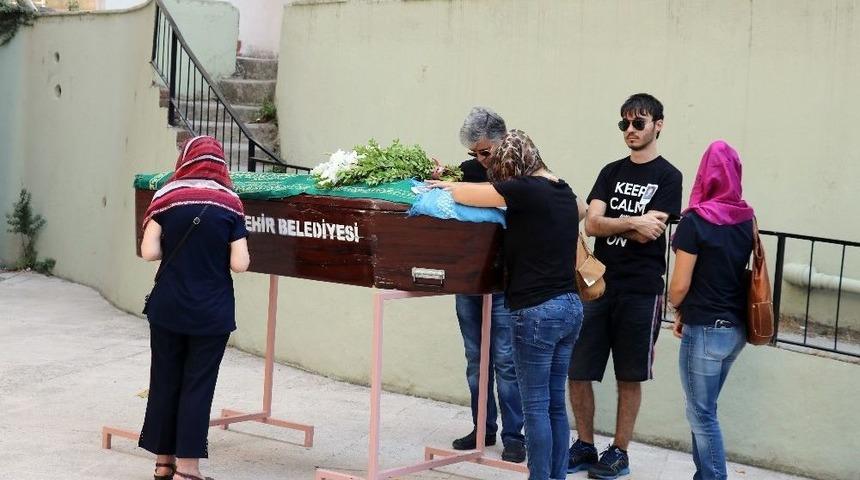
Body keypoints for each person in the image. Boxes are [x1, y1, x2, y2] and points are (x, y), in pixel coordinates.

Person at [428, 129, 586, 480]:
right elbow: (584, 210)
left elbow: (470, 193)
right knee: (554, 406)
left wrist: (443, 185)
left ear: (515, 165)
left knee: (535, 408)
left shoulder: (525, 188)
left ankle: (540, 477)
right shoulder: (563, 190)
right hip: (570, 308)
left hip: (537, 312)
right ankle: (555, 475)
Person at [567, 93, 682, 479]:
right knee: (579, 368)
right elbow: (591, 225)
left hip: (642, 289)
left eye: (639, 123)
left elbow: (652, 233)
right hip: (599, 284)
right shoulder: (611, 171)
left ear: (658, 125)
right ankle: (584, 444)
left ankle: (619, 451)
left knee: (629, 375)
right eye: (624, 124)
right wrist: (633, 222)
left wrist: (614, 221)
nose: (630, 131)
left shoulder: (669, 176)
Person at [138, 136, 250, 480]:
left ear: (185, 160)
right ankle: (189, 470)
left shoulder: (165, 197)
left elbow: (148, 252)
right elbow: (240, 263)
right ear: (220, 163)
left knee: (164, 380)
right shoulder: (230, 202)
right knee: (197, 385)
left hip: (168, 305)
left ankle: (163, 463)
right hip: (211, 310)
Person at [668, 140, 754, 480]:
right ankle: (703, 475)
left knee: (701, 414)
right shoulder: (747, 220)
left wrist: (679, 309)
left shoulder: (695, 222)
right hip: (735, 331)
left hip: (704, 330)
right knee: (703, 410)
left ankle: (714, 477)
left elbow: (678, 287)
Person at [448, 106, 526, 463]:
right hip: (470, 278)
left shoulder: (521, 172)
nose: (479, 160)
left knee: (507, 360)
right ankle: (482, 428)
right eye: (474, 153)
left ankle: (514, 436)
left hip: (507, 280)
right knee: (474, 358)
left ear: (503, 144)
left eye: (485, 152)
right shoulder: (466, 172)